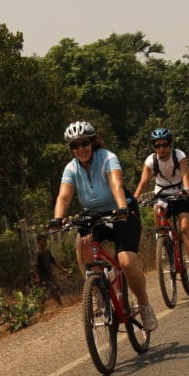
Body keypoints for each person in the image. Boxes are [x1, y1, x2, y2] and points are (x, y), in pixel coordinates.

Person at [50, 121, 157, 331]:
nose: (80, 149)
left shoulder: (108, 158)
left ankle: (144, 305)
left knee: (125, 261)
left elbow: (115, 183)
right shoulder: (71, 168)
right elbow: (63, 196)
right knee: (82, 245)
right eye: (75, 146)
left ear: (92, 142)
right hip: (95, 215)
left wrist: (121, 207)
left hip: (121, 211)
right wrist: (57, 218)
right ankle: (98, 289)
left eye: (84, 143)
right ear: (70, 149)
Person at [133, 127, 189, 283]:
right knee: (157, 210)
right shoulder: (151, 160)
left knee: (184, 227)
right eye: (157, 145)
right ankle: (164, 241)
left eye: (164, 144)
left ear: (169, 144)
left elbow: (184, 174)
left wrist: (187, 188)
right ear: (153, 147)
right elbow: (143, 180)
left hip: (180, 193)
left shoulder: (179, 155)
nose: (161, 148)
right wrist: (135, 197)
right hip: (162, 194)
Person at [34, 233, 68, 305]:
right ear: (39, 242)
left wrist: (62, 269)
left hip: (48, 275)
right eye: (43, 241)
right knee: (49, 291)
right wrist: (37, 278)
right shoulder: (38, 253)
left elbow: (53, 261)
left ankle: (59, 305)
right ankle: (60, 305)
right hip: (42, 277)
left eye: (45, 240)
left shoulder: (47, 251)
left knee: (49, 291)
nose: (45, 242)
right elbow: (35, 266)